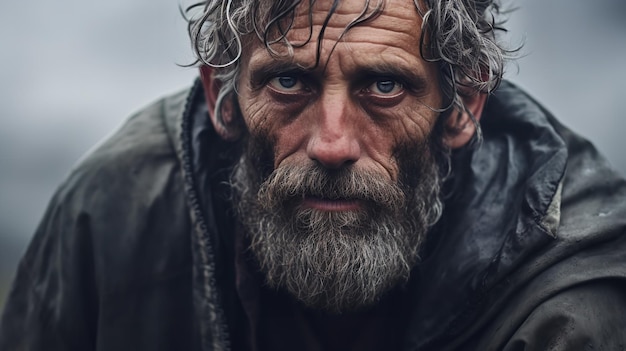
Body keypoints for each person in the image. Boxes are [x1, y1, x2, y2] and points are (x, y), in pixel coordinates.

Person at [2, 0, 626, 350]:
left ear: (461, 105)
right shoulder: (114, 214)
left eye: (384, 85)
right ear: (222, 95)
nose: (332, 144)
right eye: (288, 81)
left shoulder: (571, 305)